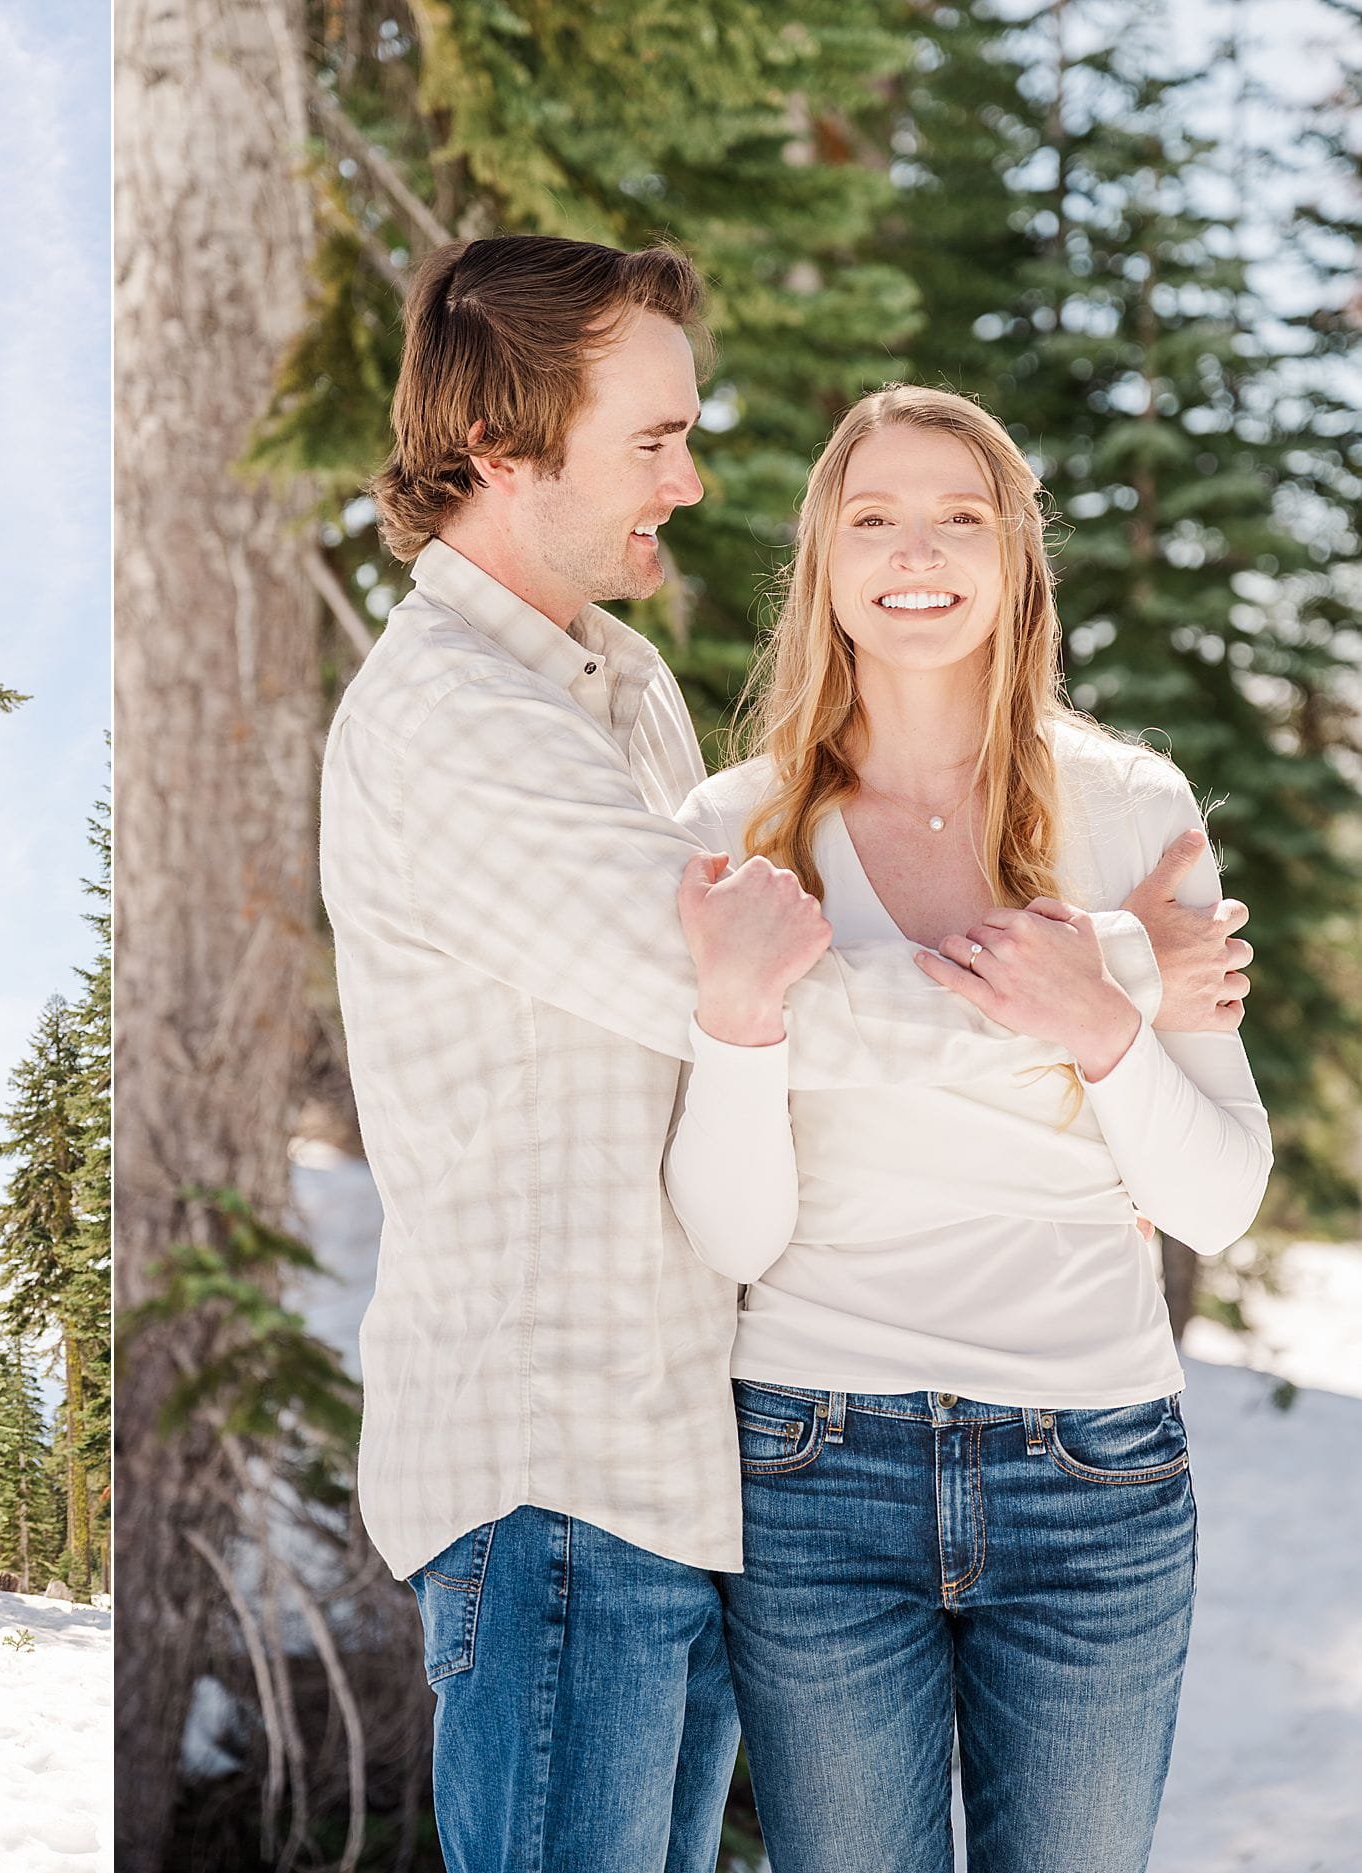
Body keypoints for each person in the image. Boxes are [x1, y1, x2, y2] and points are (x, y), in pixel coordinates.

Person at [315, 232, 1251, 1873]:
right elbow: (758, 1011)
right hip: (565, 1476)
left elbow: (743, 1041)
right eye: (654, 439)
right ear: (501, 449)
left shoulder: (614, 694)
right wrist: (1110, 978)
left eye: (690, 432)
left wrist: (1108, 1027)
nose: (684, 482)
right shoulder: (463, 720)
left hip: (684, 1471)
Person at [665, 384, 1267, 1873]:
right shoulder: (733, 831)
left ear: (1016, 560)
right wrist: (746, 1025)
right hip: (814, 1463)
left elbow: (1220, 1197)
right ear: (822, 561)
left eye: (959, 514)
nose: (913, 550)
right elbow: (732, 1230)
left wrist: (1103, 1023)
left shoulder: (1131, 806)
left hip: (1096, 1473)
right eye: (872, 516)